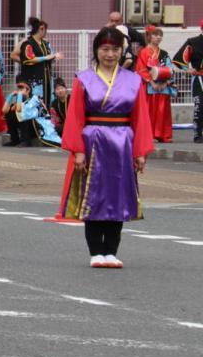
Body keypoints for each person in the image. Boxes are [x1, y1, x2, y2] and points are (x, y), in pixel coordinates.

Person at [60, 26, 153, 269]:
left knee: (118, 196)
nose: (110, 54)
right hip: (93, 141)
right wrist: (78, 150)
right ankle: (96, 251)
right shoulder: (84, 79)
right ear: (97, 51)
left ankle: (111, 251)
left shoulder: (134, 80)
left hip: (123, 142)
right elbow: (75, 117)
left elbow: (141, 117)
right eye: (105, 49)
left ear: (122, 51)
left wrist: (140, 151)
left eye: (115, 49)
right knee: (94, 196)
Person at [134, 26, 175, 143]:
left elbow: (170, 68)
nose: (158, 37)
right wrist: (152, 82)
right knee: (149, 111)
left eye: (160, 35)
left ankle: (163, 134)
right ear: (149, 36)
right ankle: (149, 134)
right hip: (150, 85)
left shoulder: (164, 53)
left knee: (163, 111)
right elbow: (141, 69)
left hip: (163, 85)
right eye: (155, 34)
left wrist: (166, 82)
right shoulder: (143, 52)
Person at [13, 17, 61, 104]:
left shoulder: (46, 44)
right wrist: (46, 57)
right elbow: (29, 59)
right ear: (41, 29)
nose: (46, 32)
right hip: (33, 80)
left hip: (46, 80)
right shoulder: (27, 43)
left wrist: (54, 57)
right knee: (34, 104)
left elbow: (51, 57)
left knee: (47, 103)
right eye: (45, 30)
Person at [171, 19, 203, 143]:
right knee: (200, 105)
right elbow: (178, 59)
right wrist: (188, 69)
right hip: (198, 77)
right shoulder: (193, 42)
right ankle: (197, 133)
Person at [2, 79, 37, 147]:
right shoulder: (18, 102)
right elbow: (4, 110)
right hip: (23, 124)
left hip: (35, 128)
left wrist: (20, 95)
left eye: (22, 89)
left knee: (22, 112)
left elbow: (19, 109)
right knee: (9, 113)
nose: (19, 91)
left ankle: (26, 141)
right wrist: (11, 96)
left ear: (28, 90)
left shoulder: (34, 100)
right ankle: (14, 140)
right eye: (19, 89)